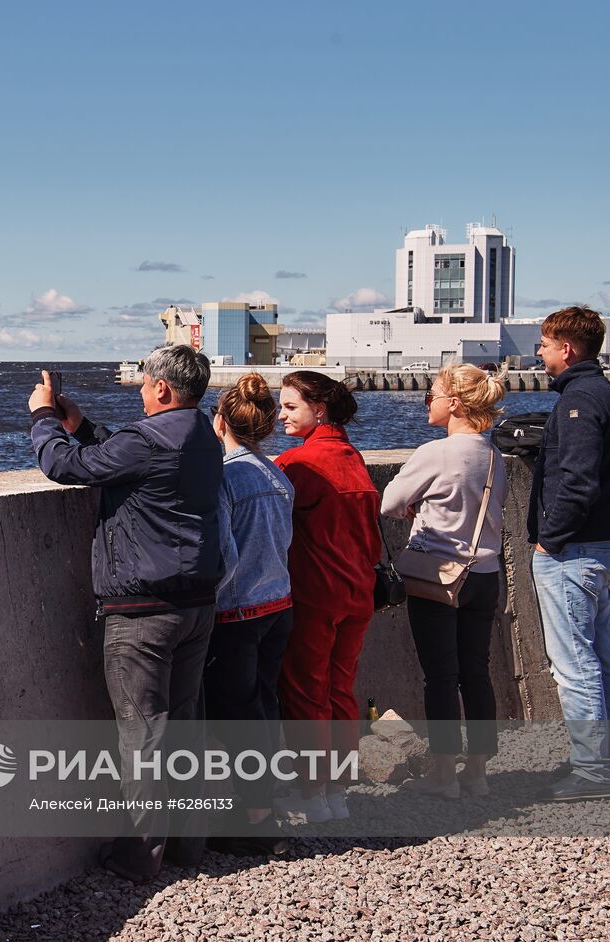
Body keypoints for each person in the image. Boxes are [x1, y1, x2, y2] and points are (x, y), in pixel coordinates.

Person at [28, 346, 221, 882]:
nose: (139, 389)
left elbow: (64, 466)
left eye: (143, 383)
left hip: (144, 612)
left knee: (143, 736)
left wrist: (45, 417)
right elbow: (130, 456)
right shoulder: (202, 433)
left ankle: (139, 859)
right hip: (196, 605)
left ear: (162, 388)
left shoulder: (147, 439)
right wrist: (83, 423)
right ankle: (187, 846)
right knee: (184, 728)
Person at [381, 363, 508, 799]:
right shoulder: (492, 454)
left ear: (454, 403)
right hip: (485, 574)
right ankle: (478, 772)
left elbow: (390, 501)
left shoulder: (436, 453)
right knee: (476, 672)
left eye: (431, 394)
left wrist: (412, 509)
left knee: (440, 675)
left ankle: (443, 774)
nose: (427, 402)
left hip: (440, 576)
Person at [529, 306, 610, 801]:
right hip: (605, 543)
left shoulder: (578, 401)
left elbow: (577, 481)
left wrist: (550, 536)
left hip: (573, 550)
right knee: (598, 656)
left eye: (545, 344)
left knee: (575, 663)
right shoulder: (609, 395)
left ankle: (593, 772)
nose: (539, 351)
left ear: (567, 349)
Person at [272, 370, 380, 823]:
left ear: (320, 410)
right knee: (340, 690)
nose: (281, 415)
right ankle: (336, 789)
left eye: (290, 407)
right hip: (358, 593)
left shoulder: (299, 464)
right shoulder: (351, 457)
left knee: (304, 691)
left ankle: (312, 791)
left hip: (316, 592)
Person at [204, 373, 293, 855]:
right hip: (278, 607)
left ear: (220, 423)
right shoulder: (276, 474)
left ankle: (256, 821)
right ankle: (265, 807)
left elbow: (225, 555)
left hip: (238, 613)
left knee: (237, 719)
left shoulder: (226, 477)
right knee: (262, 710)